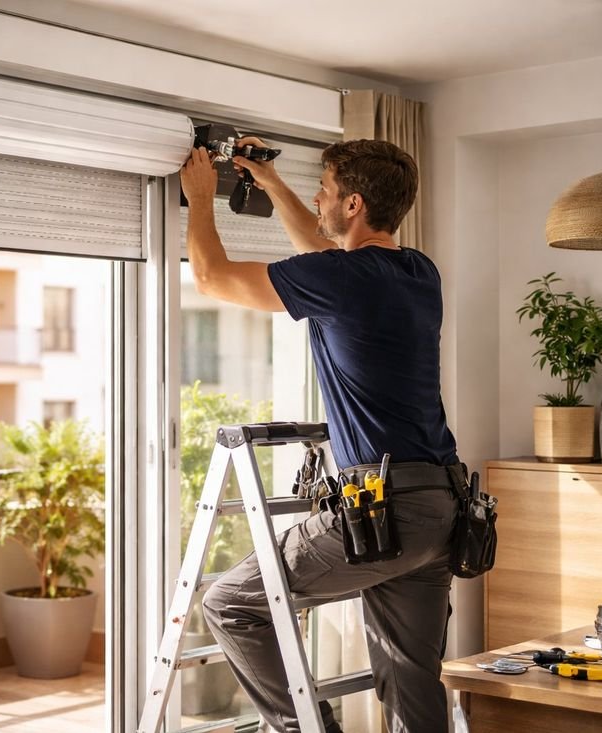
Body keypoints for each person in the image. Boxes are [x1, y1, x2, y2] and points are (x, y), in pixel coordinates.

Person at [178, 138, 461, 733]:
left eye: (326, 192)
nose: (317, 200)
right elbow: (325, 249)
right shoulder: (418, 271)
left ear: (354, 204)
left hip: (386, 509)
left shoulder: (340, 278)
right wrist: (272, 184)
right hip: (442, 509)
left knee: (229, 603)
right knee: (411, 682)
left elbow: (210, 277)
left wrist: (201, 199)